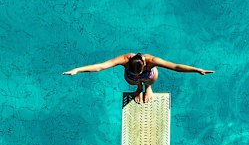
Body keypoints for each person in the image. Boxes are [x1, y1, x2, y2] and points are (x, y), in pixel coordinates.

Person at [63, 53, 214, 103]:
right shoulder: (124, 60)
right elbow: (100, 66)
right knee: (132, 80)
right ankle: (138, 88)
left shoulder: (151, 61)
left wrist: (197, 70)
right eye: (135, 73)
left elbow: (175, 67)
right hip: (131, 78)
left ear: (144, 64)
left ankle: (147, 87)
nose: (138, 75)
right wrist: (77, 70)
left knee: (150, 78)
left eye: (139, 72)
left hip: (150, 76)